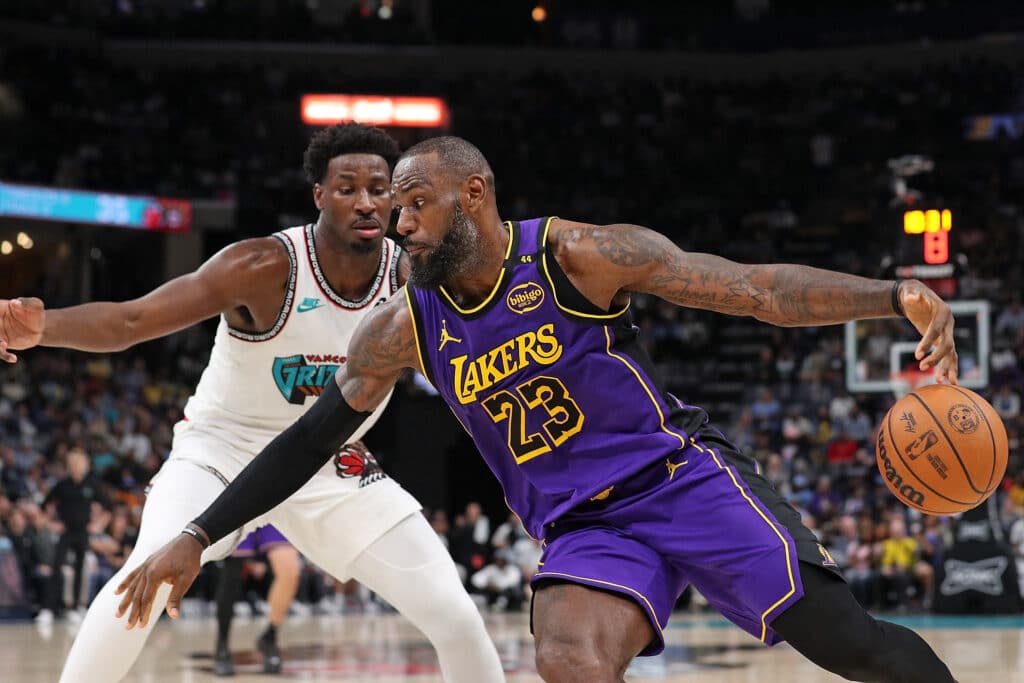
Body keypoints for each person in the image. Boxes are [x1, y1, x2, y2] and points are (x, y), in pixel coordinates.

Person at [116, 136, 961, 683]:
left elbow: (754, 290)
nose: (397, 224)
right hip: (585, 528)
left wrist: (897, 293)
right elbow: (308, 439)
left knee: (857, 646)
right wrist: (195, 534)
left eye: (415, 203)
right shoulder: (403, 327)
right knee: (568, 659)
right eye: (395, 208)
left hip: (679, 482)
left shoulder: (577, 255)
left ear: (473, 194)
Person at [0, 126, 502, 683]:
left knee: (455, 614)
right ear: (318, 194)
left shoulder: (411, 278)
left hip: (329, 459)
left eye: (379, 189)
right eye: (346, 187)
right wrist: (41, 329)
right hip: (223, 448)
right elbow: (132, 321)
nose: (365, 201)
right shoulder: (263, 266)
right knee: (147, 575)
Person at [39, 447, 110, 624]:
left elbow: (108, 506)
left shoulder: (91, 484)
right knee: (56, 568)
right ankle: (48, 609)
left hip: (82, 532)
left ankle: (77, 607)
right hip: (66, 531)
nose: (75, 466)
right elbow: (45, 505)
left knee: (80, 569)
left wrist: (98, 524)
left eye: (78, 462)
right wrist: (51, 524)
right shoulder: (62, 485)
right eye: (71, 463)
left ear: (84, 464)